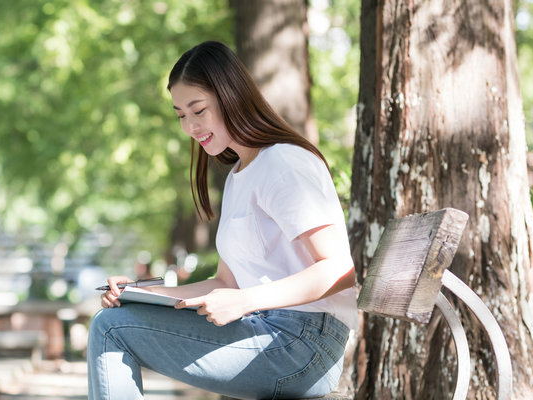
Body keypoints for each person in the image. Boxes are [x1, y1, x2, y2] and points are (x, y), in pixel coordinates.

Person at [87, 40, 358, 400]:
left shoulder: (283, 163)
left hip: (303, 346)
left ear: (231, 95)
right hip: (270, 332)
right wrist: (141, 295)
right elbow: (226, 282)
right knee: (113, 321)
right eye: (181, 115)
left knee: (110, 329)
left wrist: (246, 301)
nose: (190, 127)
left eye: (198, 110)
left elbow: (340, 269)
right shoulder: (239, 175)